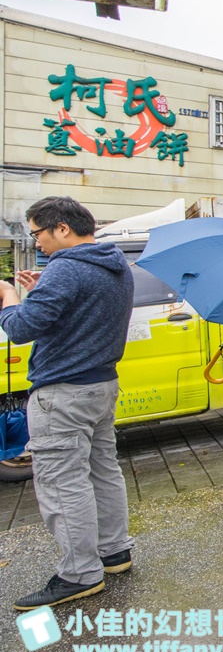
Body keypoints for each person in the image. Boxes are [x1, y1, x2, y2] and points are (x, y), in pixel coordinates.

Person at [0, 197, 135, 610]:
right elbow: (81, 311)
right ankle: (113, 552)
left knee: (62, 482)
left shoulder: (65, 268)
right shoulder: (113, 264)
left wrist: (8, 296)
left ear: (62, 228)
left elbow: (20, 328)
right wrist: (40, 292)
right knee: (101, 470)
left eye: (37, 232)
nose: (36, 242)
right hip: (101, 385)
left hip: (62, 393)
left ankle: (79, 574)